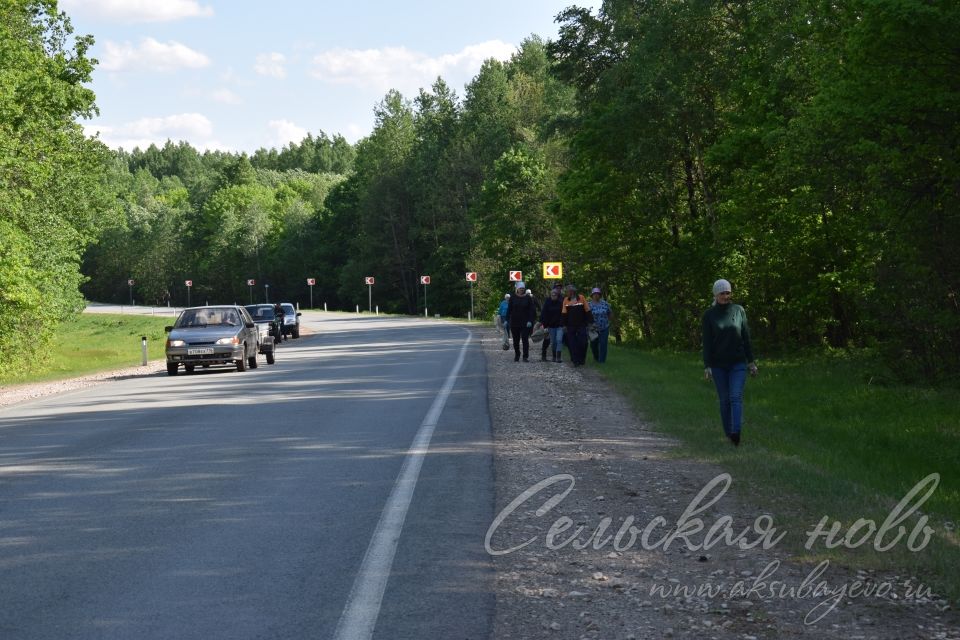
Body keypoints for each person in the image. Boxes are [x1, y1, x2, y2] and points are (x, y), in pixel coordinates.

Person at [702, 279, 758, 446]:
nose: (726, 296)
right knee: (725, 399)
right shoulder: (709, 315)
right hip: (719, 365)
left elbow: (746, 337)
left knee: (735, 396)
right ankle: (728, 433)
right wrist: (707, 366)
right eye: (722, 293)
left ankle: (736, 433)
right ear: (715, 295)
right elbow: (707, 343)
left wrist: (751, 362)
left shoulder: (738, 310)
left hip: (737, 363)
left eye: (728, 292)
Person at [561, 284, 592, 367]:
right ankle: (575, 361)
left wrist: (590, 322)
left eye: (571, 291)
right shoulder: (566, 300)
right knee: (572, 343)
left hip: (581, 324)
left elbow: (587, 310)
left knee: (584, 342)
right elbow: (564, 314)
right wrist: (564, 325)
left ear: (574, 291)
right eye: (568, 291)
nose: (570, 293)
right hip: (570, 325)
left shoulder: (581, 298)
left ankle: (582, 359)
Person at [506, 281, 537, 362]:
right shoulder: (513, 298)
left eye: (523, 288)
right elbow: (509, 309)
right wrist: (506, 319)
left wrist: (530, 320)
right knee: (515, 340)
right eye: (520, 288)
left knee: (525, 339)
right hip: (514, 322)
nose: (522, 290)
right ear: (517, 289)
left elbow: (531, 310)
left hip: (525, 322)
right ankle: (517, 354)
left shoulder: (528, 298)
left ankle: (525, 356)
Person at [540, 285, 565, 362]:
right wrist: (544, 325)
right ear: (550, 295)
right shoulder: (547, 302)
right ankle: (553, 356)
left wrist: (563, 323)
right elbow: (544, 314)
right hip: (550, 326)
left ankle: (558, 357)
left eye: (555, 294)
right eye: (552, 294)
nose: (554, 296)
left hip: (559, 325)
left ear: (558, 295)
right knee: (553, 342)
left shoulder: (561, 302)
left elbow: (564, 313)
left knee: (559, 340)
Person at [589, 287, 612, 363]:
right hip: (593, 328)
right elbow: (586, 316)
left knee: (603, 344)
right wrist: (590, 325)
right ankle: (596, 357)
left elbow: (609, 313)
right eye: (594, 294)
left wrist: (609, 321)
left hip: (604, 327)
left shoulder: (605, 304)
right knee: (593, 344)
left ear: (600, 295)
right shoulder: (589, 305)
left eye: (598, 294)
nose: (596, 296)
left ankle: (602, 361)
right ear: (592, 295)